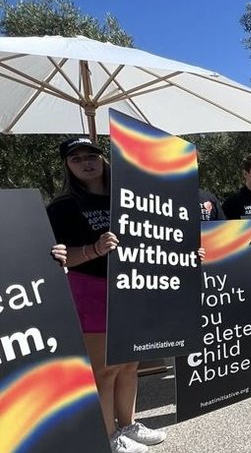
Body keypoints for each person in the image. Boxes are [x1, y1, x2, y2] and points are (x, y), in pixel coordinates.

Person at [46, 137, 166, 453]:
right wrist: (94, 249)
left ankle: (129, 424)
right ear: (67, 167)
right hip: (91, 291)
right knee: (103, 369)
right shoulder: (61, 207)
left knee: (129, 363)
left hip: (131, 288)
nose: (87, 162)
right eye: (76, 158)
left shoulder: (128, 199)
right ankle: (108, 435)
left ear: (103, 159)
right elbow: (59, 258)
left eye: (92, 155)